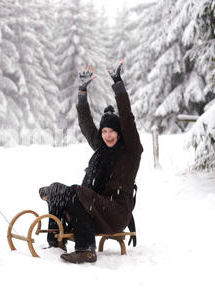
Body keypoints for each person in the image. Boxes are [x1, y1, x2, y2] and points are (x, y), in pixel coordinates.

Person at [39, 61, 143, 264]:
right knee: (56, 189)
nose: (107, 135)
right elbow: (86, 124)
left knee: (77, 192)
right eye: (104, 131)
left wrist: (118, 83)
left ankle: (86, 249)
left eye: (112, 131)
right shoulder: (102, 150)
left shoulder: (130, 152)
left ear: (120, 133)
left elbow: (128, 119)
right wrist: (82, 91)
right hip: (98, 210)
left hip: (115, 213)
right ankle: (55, 241)